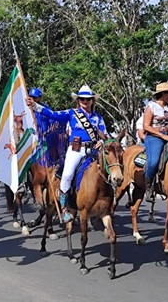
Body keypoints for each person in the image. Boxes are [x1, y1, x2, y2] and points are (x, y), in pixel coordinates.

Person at [26, 84, 109, 222]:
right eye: (82, 99)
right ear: (78, 101)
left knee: (109, 172)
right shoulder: (71, 113)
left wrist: (102, 141)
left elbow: (104, 134)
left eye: (88, 99)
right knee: (67, 175)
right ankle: (64, 208)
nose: (85, 101)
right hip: (76, 150)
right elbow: (53, 114)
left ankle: (105, 204)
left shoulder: (98, 117)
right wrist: (35, 106)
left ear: (92, 101)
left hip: (93, 151)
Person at [143, 82, 168, 202]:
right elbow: (146, 126)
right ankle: (148, 188)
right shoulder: (151, 106)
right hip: (154, 137)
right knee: (154, 161)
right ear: (163, 94)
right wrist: (162, 136)